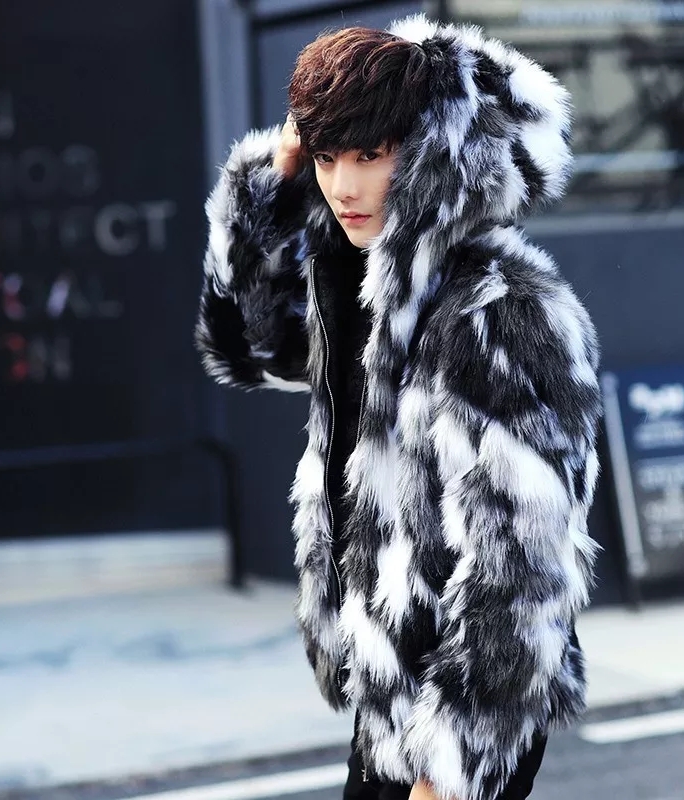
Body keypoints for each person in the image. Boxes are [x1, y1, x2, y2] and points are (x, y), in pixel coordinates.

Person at [195, 14, 602, 800]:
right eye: (327, 158)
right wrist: (270, 190)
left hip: (460, 716)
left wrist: (446, 768)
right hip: (386, 689)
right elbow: (247, 351)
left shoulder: (499, 311)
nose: (344, 187)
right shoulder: (355, 282)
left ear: (424, 153)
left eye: (370, 156)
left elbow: (520, 570)